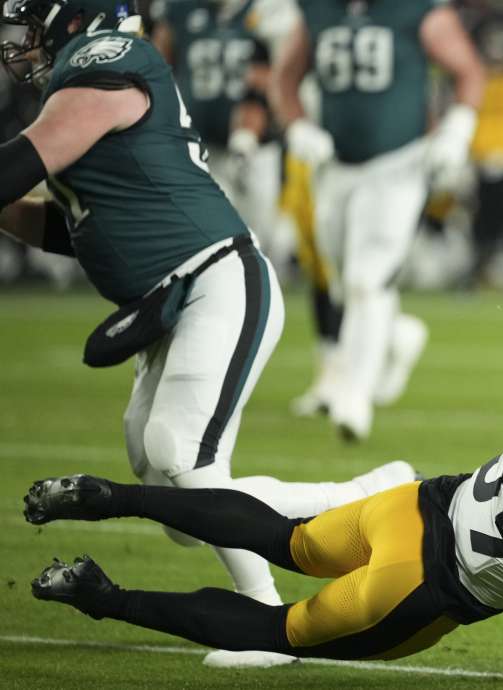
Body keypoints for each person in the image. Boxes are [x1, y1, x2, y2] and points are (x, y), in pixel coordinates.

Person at [0, 0, 413, 668]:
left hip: (216, 279)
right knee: (177, 506)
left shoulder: (107, 63)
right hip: (172, 301)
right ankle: (360, 499)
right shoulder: (85, 86)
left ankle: (263, 621)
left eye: (29, 26)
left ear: (74, 19)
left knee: (180, 451)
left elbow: (22, 163)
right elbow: (74, 228)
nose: (21, 44)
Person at [26, 362, 503, 666]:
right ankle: (106, 597)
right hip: (421, 592)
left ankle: (114, 497)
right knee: (276, 630)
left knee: (283, 537)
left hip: (414, 508)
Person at [269, 0, 485, 442]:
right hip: (334, 166)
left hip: (399, 163)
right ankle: (397, 335)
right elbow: (284, 78)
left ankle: (354, 396)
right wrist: (297, 126)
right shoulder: (317, 9)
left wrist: (458, 128)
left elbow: (469, 71)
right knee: (343, 287)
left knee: (366, 280)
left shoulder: (417, 8)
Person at [149, 0, 285, 265]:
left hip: (257, 149)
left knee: (262, 239)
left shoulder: (266, 10)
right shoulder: (178, 9)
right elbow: (154, 70)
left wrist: (249, 134)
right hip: (199, 148)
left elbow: (271, 76)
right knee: (207, 240)